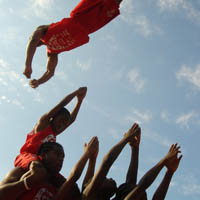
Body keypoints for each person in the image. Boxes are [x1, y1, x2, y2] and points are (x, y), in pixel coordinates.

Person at [23, 0, 123, 88]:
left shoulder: (43, 31)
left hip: (80, 15)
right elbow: (50, 72)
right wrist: (38, 82)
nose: (35, 43)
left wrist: (28, 65)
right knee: (114, 4)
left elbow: (33, 40)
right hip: (90, 27)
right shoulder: (52, 52)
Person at [14, 87, 87, 173]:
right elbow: (61, 105)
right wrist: (77, 92)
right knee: (37, 166)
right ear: (53, 118)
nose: (62, 125)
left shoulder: (54, 133)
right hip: (27, 157)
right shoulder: (43, 124)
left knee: (58, 179)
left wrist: (80, 101)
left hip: (41, 161)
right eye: (61, 121)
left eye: (64, 124)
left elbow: (72, 119)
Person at [0, 137, 99, 200]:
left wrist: (92, 160)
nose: (61, 159)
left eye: (63, 157)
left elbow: (86, 193)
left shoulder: (58, 184)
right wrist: (28, 182)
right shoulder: (23, 171)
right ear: (43, 154)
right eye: (57, 154)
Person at [82, 122, 141, 200]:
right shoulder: (88, 196)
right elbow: (106, 163)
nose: (111, 178)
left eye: (105, 178)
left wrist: (135, 149)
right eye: (104, 177)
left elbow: (130, 184)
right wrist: (125, 139)